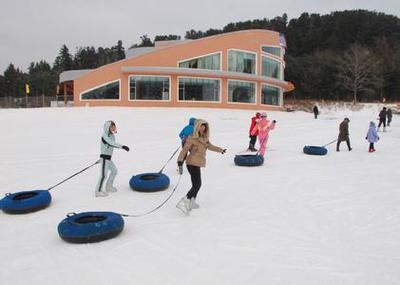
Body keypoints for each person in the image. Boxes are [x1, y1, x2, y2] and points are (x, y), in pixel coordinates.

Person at [176, 119, 226, 214]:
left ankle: (192, 202)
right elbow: (184, 150)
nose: (203, 128)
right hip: (191, 163)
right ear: (197, 127)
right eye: (201, 126)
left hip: (198, 162)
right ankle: (184, 202)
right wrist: (180, 161)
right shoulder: (191, 138)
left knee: (197, 184)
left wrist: (221, 150)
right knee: (197, 184)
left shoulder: (204, 138)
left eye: (204, 126)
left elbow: (210, 146)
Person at [95, 120, 130, 197]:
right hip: (104, 158)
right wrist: (122, 146)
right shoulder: (105, 135)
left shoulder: (112, 136)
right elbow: (111, 143)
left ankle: (108, 186)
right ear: (108, 127)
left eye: (114, 127)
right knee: (103, 175)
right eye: (112, 127)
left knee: (114, 171)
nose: (113, 128)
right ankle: (98, 191)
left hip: (108, 158)